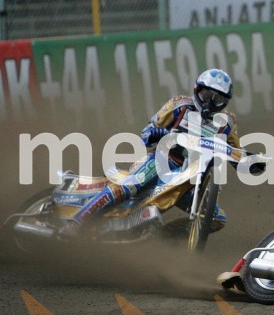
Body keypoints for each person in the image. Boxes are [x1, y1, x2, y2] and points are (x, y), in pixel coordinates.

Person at [60, 69, 239, 236]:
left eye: (218, 99)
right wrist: (161, 133)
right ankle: (76, 222)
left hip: (192, 179)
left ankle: (165, 238)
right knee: (127, 186)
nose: (210, 102)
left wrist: (254, 162)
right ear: (197, 90)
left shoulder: (228, 123)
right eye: (207, 95)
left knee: (216, 219)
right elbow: (146, 134)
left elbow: (237, 154)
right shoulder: (179, 105)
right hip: (161, 161)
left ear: (225, 101)